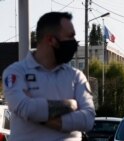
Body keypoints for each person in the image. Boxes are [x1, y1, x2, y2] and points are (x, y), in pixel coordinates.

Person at [2, 12, 95, 141]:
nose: (74, 42)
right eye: (70, 36)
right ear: (51, 40)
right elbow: (25, 107)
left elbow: (88, 119)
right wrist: (69, 105)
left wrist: (38, 116)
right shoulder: (16, 72)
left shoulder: (76, 76)